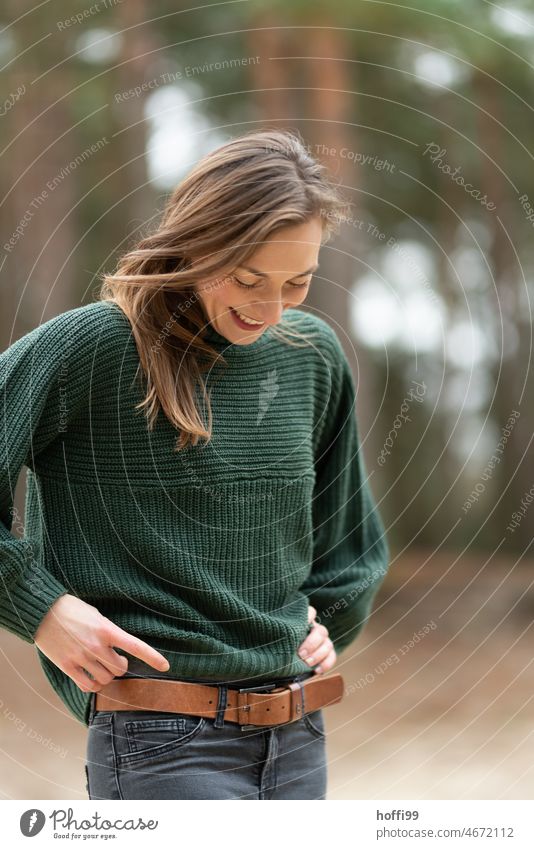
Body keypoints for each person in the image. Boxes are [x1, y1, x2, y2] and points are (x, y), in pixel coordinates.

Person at [0, 129, 389, 800]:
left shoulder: (314, 356)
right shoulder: (87, 348)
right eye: (247, 279)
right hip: (158, 737)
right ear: (196, 240)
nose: (270, 309)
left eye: (297, 282)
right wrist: (41, 607)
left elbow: (350, 540)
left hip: (298, 734)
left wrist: (331, 616)